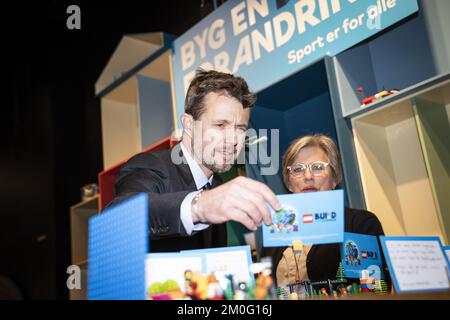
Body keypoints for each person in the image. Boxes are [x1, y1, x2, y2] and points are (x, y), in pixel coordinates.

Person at [108, 69, 281, 252]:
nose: (233, 140)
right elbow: (117, 218)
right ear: (189, 125)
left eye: (240, 128)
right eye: (220, 125)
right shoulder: (152, 166)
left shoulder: (216, 185)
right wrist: (199, 206)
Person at [263, 134, 386, 286]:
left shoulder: (360, 224)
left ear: (334, 178)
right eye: (298, 169)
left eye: (318, 167)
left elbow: (375, 286)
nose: (308, 176)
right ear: (289, 183)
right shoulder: (275, 232)